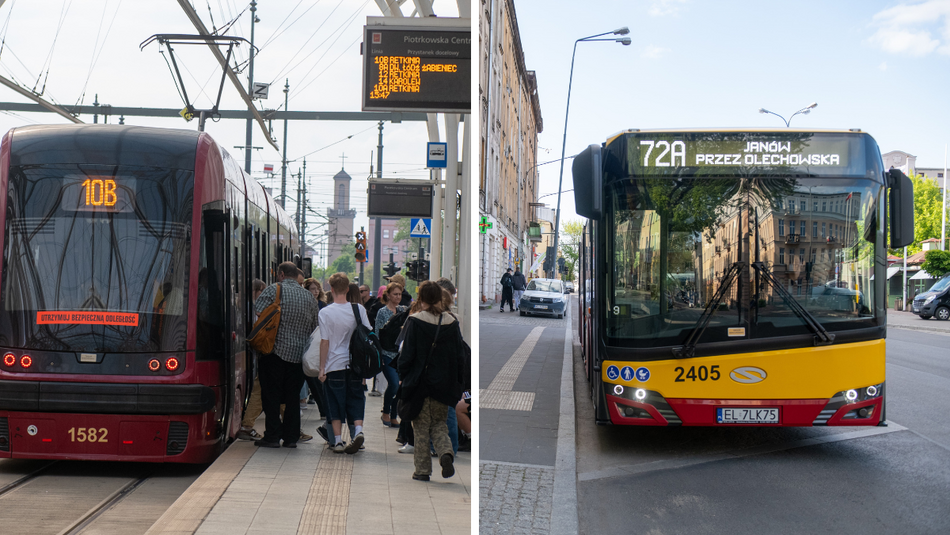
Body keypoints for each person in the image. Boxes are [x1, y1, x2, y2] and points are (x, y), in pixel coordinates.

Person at [399, 281, 465, 481]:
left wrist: (403, 376)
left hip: (419, 383)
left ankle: (422, 471)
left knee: (420, 427)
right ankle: (446, 452)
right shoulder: (451, 322)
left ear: (422, 298)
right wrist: (457, 383)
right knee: (439, 423)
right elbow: (459, 356)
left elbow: (407, 354)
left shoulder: (415, 321)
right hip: (443, 385)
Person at [253, 262, 320, 449]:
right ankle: (291, 438)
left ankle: (272, 436)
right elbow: (315, 325)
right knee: (292, 397)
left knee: (271, 395)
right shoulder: (309, 297)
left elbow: (258, 312)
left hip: (274, 351)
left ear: (281, 274)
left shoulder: (273, 290)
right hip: (299, 356)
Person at [318, 272, 372, 454]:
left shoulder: (325, 312)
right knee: (356, 398)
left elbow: (324, 342)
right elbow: (368, 334)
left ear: (331, 289)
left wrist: (322, 368)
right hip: (355, 364)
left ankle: (338, 441)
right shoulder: (359, 309)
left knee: (334, 402)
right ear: (348, 289)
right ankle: (358, 431)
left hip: (334, 365)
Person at [237, 278, 267, 440]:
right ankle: (247, 425)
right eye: (262, 290)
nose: (263, 294)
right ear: (255, 291)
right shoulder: (253, 308)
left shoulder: (247, 305)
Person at [374, 282, 406, 428]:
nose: (398, 297)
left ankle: (394, 416)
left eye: (400, 294)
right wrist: (379, 354)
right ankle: (386, 411)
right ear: (388, 295)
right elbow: (377, 333)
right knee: (393, 384)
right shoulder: (382, 312)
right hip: (387, 353)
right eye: (395, 294)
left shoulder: (403, 310)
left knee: (399, 386)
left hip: (400, 354)